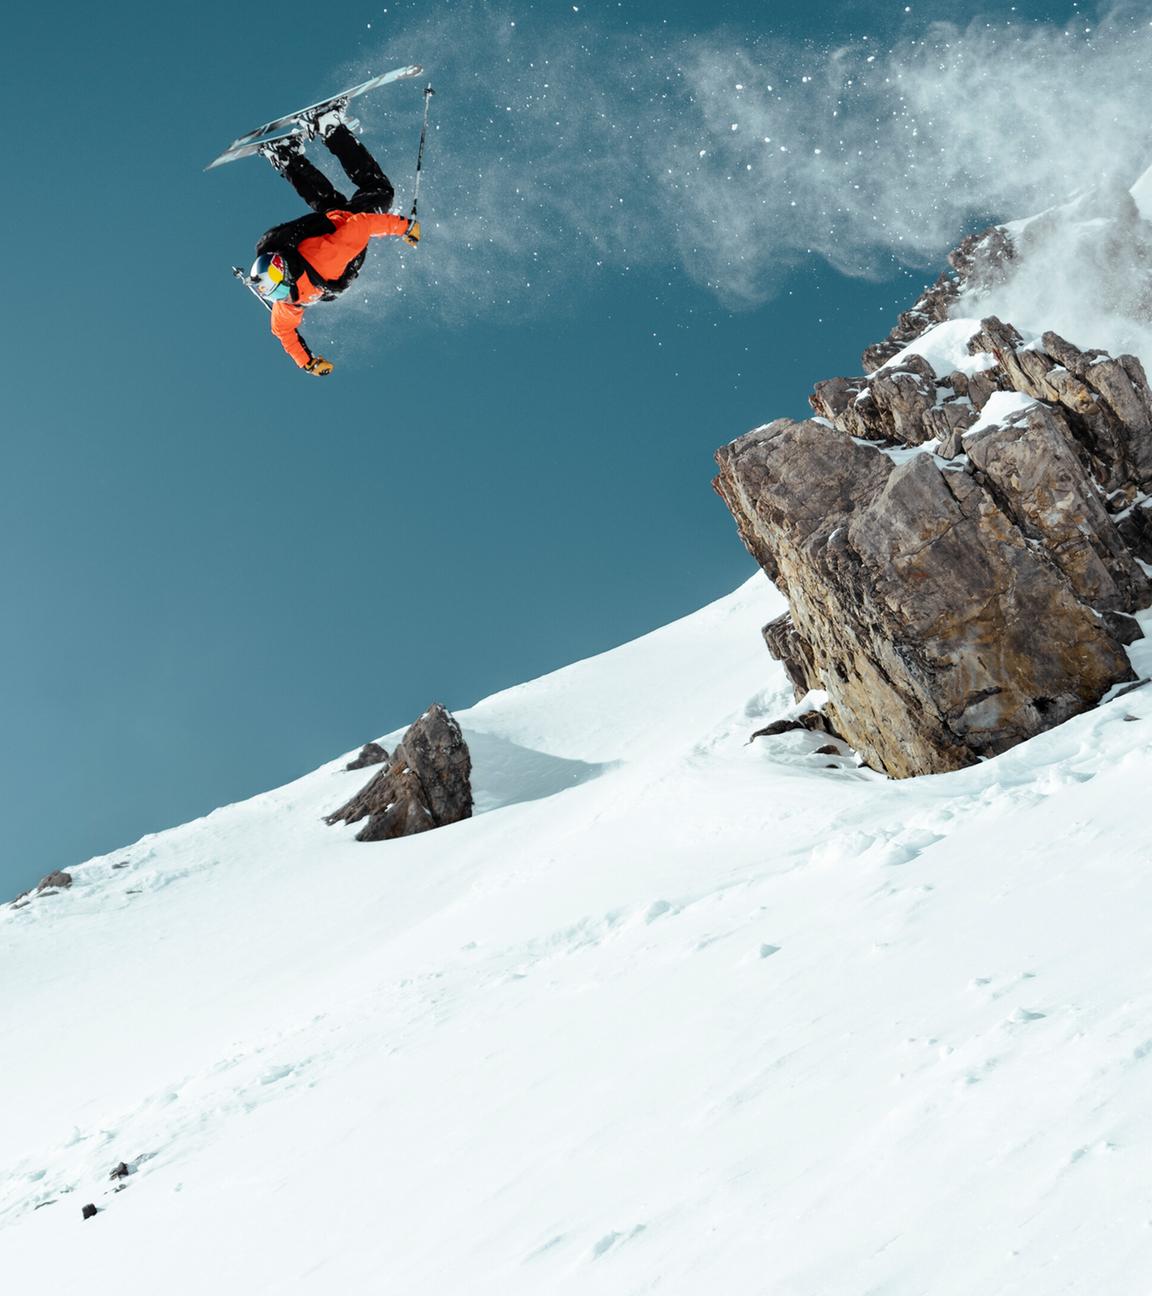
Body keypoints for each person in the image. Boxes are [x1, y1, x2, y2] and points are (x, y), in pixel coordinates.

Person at [246, 113, 421, 375]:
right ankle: (289, 157)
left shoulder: (314, 270)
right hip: (334, 235)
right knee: (338, 201)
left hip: (338, 234)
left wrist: (403, 227)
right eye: (272, 292)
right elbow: (283, 331)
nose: (277, 297)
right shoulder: (288, 301)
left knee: (378, 192)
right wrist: (306, 362)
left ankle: (326, 132)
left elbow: (362, 225)